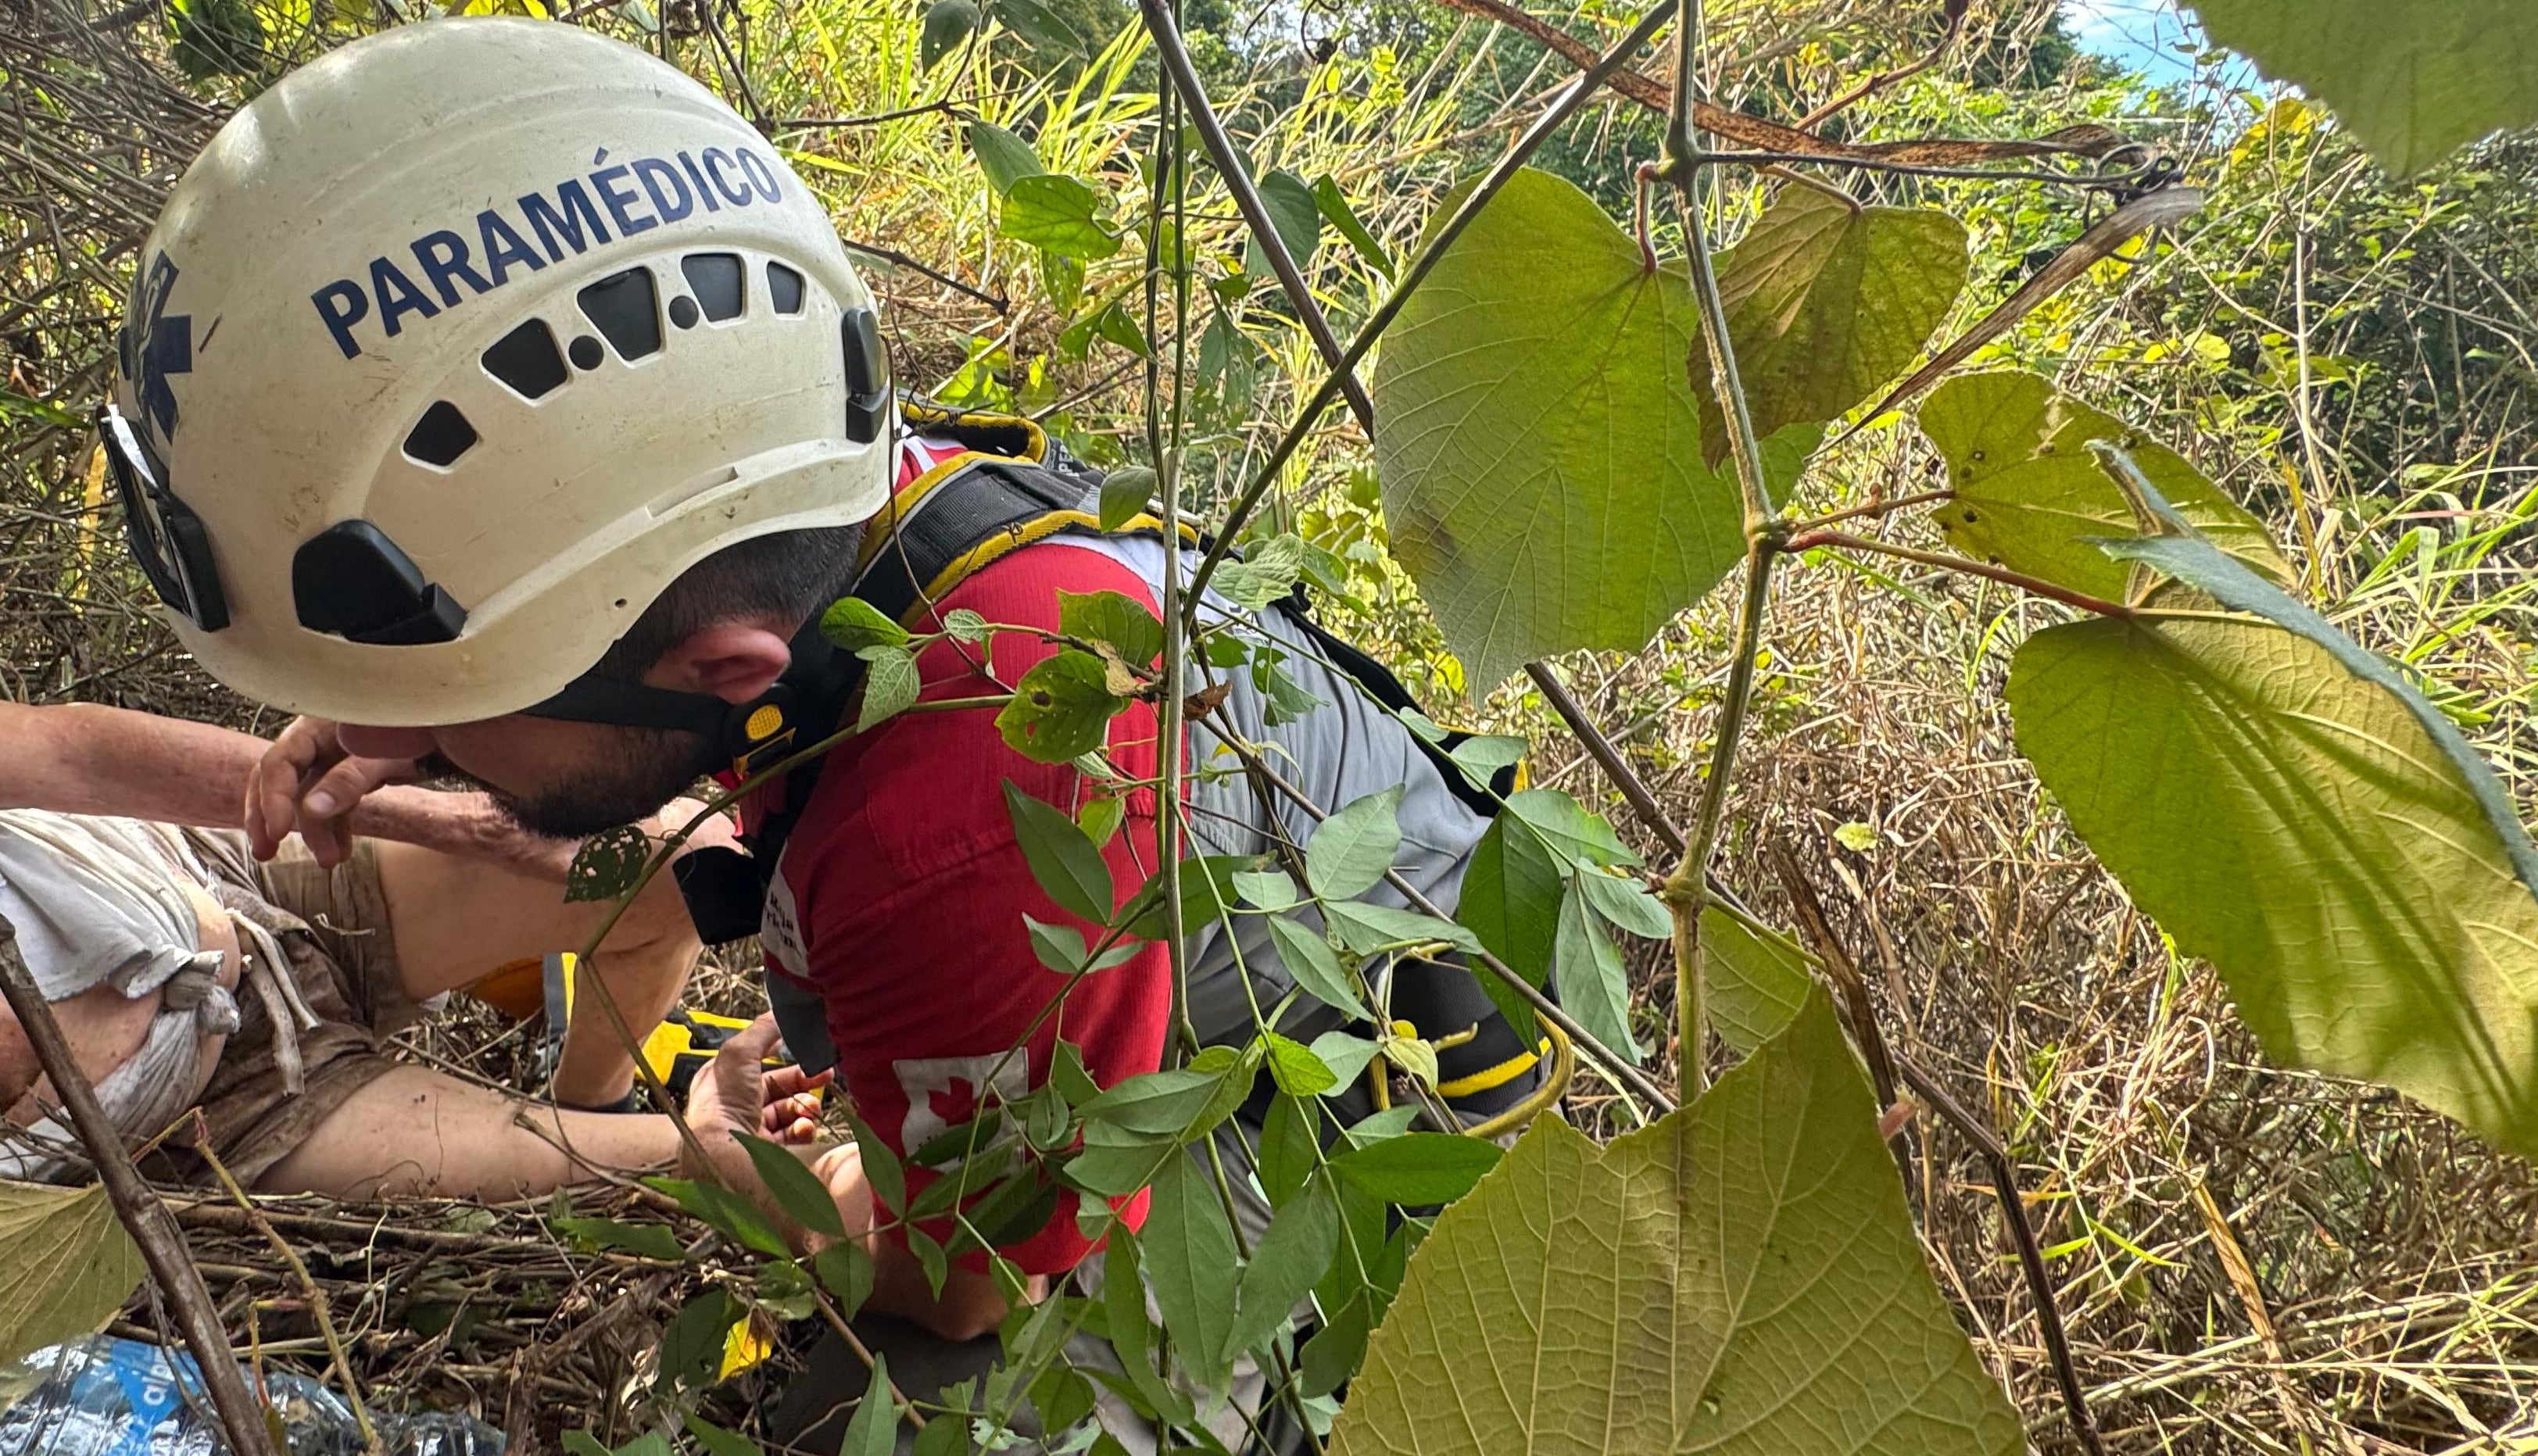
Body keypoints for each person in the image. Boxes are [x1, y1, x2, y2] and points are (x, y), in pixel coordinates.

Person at [106, 17, 1543, 1447]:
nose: (366, 733)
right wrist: (426, 706)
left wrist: (759, 1177)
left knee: (904, 1402)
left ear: (716, 668)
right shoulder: (796, 474)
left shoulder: (956, 830)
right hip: (1140, 913)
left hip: (1334, 1066)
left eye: (440, 700)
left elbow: (964, 1280)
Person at [0, 700, 711, 1198]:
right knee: (700, 1156)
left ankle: (593, 1093)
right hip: (219, 1121)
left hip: (221, 870)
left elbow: (76, 755)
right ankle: (611, 1131)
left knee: (694, 862)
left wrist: (469, 826)